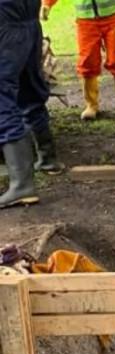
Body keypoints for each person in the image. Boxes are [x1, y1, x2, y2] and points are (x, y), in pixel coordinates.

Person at [40, 0, 115, 121]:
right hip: (85, 19)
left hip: (113, 16)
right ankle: (91, 105)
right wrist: (47, 3)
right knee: (87, 62)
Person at [1, 0, 62, 209]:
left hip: (6, 20)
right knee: (29, 92)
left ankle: (21, 184)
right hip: (29, 17)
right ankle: (48, 157)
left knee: (2, 98)